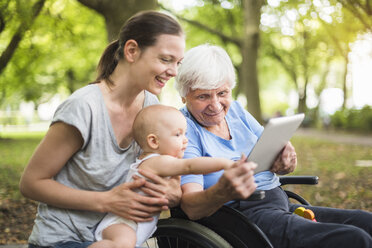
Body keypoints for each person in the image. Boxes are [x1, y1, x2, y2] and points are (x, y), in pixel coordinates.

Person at [174, 44, 372, 248]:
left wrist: (285, 160)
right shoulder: (184, 128)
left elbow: (271, 147)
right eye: (203, 96)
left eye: (222, 93)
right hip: (242, 219)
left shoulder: (236, 111)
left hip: (278, 204)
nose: (215, 105)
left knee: (366, 223)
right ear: (184, 96)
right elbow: (191, 207)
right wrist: (223, 191)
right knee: (354, 239)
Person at [19, 10, 186, 248]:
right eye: (166, 59)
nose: (174, 71)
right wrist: (107, 201)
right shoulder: (84, 107)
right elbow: (31, 183)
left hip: (118, 236)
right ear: (131, 51)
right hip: (65, 240)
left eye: (178, 63)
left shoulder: (151, 108)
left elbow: (157, 171)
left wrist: (171, 191)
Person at [89, 104, 256, 248]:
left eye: (185, 134)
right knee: (122, 244)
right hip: (123, 222)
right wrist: (225, 163)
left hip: (135, 226)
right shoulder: (156, 162)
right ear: (154, 141)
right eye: (178, 134)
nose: (185, 140)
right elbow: (190, 166)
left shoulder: (159, 161)